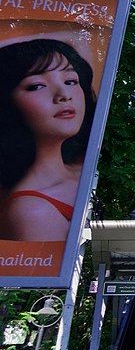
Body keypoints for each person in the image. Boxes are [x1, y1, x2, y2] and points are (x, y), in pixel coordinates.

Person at [0, 39, 96, 241]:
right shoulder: (32, 212)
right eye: (36, 86)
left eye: (70, 81)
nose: (63, 95)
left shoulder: (85, 165)